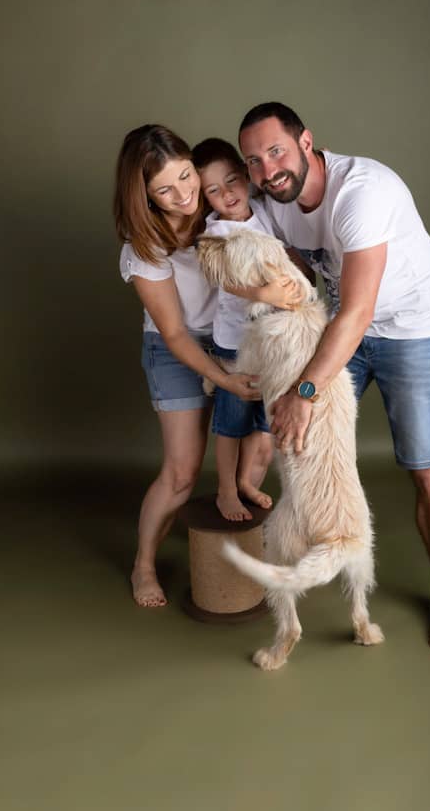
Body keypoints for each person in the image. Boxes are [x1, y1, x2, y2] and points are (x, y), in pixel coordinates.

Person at [237, 102, 430, 651]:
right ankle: (293, 564)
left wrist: (305, 389)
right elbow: (289, 275)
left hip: (407, 326)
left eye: (276, 152)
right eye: (254, 161)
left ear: (306, 142)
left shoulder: (362, 192)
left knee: (426, 469)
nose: (268, 171)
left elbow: (360, 311)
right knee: (290, 439)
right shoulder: (273, 203)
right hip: (338, 322)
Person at [113, 124, 299, 607]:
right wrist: (223, 381)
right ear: (146, 197)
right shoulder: (144, 245)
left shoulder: (225, 205)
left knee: (256, 448)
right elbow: (175, 332)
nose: (184, 195)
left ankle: (231, 532)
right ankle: (144, 564)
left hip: (239, 337)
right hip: (176, 346)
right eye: (165, 190)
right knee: (180, 473)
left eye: (186, 177)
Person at [192, 137, 276, 522]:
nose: (226, 194)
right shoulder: (215, 234)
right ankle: (227, 489)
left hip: (272, 341)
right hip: (235, 345)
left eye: (231, 181)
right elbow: (225, 277)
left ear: (246, 176)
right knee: (231, 422)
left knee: (263, 420)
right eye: (213, 190)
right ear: (204, 198)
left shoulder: (263, 212)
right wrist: (264, 290)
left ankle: (246, 481)